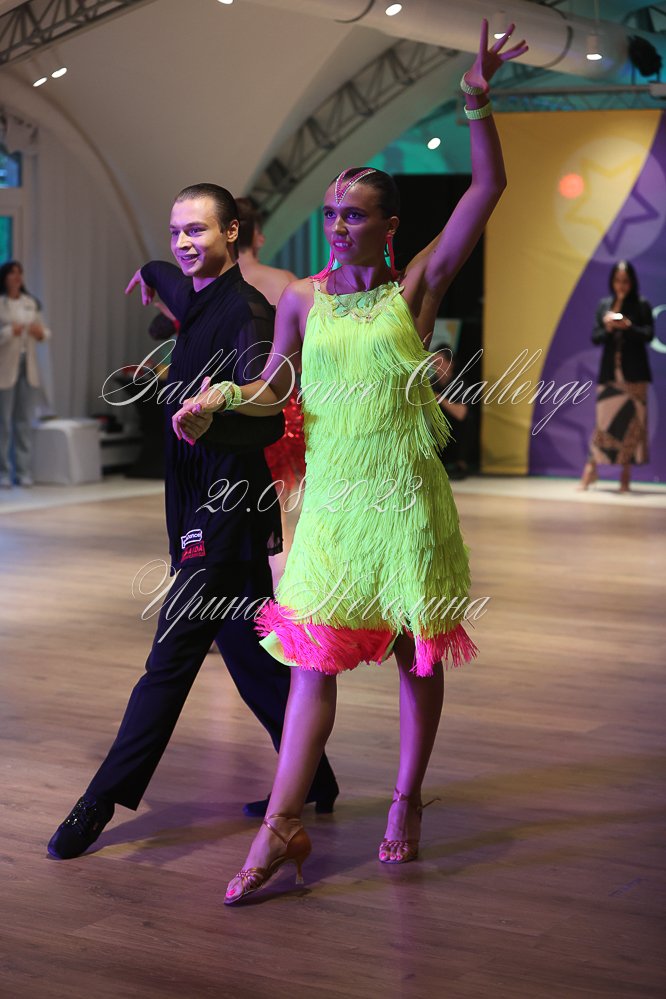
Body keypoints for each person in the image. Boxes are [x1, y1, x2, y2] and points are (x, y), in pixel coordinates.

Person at [174, 21, 527, 904]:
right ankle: (280, 825)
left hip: (405, 501)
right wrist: (218, 399)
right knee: (313, 663)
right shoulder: (301, 299)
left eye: (355, 214)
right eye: (331, 213)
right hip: (332, 507)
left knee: (414, 654)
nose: (337, 226)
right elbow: (272, 390)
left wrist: (475, 100)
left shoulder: (416, 288)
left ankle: (406, 798)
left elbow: (489, 188)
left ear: (388, 226)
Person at [47, 183, 338, 860]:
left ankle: (99, 801)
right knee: (247, 652)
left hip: (225, 505)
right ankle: (314, 777)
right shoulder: (196, 296)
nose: (183, 243)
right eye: (176, 231)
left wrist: (220, 408)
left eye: (197, 230)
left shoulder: (246, 314)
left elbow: (268, 408)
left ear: (232, 233)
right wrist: (148, 271)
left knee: (169, 659)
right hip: (199, 499)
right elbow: (169, 280)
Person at [236, 197, 306, 495]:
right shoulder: (285, 281)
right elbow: (305, 344)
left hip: (228, 399)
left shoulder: (211, 285)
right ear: (256, 236)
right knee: (279, 493)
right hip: (278, 396)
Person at [579, 260, 654, 493]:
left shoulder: (641, 304)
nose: (621, 285)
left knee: (633, 425)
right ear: (612, 282)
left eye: (625, 281)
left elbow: (648, 335)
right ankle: (591, 469)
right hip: (610, 373)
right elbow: (595, 337)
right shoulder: (605, 305)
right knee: (603, 424)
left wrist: (628, 326)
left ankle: (625, 474)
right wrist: (609, 327)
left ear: (632, 282)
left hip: (634, 374)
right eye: (617, 281)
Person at [0, 260, 51, 488]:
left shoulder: (30, 303)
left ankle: (23, 471)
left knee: (23, 421)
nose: (17, 277)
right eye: (12, 273)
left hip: (27, 367)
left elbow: (45, 331)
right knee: (4, 423)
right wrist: (10, 331)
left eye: (19, 273)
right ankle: (3, 471)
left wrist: (40, 333)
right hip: (5, 368)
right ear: (5, 277)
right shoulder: (1, 303)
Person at [430, 348, 471, 480]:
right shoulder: (431, 383)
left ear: (450, 363)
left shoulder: (459, 384)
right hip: (437, 434)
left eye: (439, 363)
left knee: (466, 420)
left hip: (456, 434)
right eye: (434, 364)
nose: (436, 367)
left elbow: (461, 414)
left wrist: (439, 398)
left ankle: (460, 463)